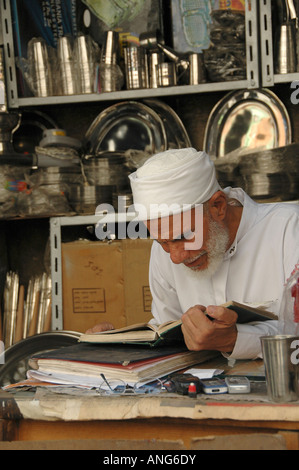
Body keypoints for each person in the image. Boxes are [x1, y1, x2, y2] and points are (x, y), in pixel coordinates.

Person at [87, 147, 299, 360]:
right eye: (163, 242)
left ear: (218, 206)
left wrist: (239, 340)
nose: (176, 257)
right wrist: (116, 345)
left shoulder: (289, 230)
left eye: (184, 236)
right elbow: (167, 333)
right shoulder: (165, 251)